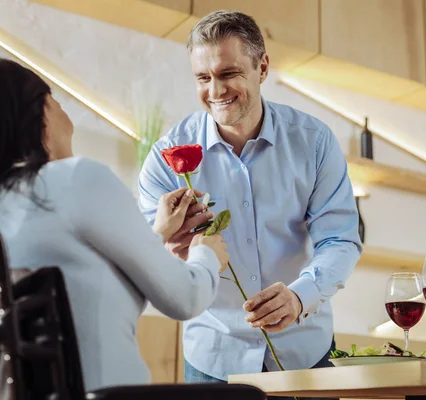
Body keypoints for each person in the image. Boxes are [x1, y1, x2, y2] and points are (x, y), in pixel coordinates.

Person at [0, 57, 229, 391]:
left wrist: (156, 237)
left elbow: (78, 294)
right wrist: (206, 255)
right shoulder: (73, 178)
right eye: (54, 99)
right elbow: (185, 297)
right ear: (40, 114)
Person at [138, 10, 362, 398]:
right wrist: (166, 246)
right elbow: (143, 258)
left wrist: (299, 296)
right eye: (203, 78)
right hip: (213, 359)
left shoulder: (314, 142)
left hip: (305, 352)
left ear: (262, 68)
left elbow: (340, 239)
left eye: (228, 74)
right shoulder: (165, 159)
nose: (215, 90)